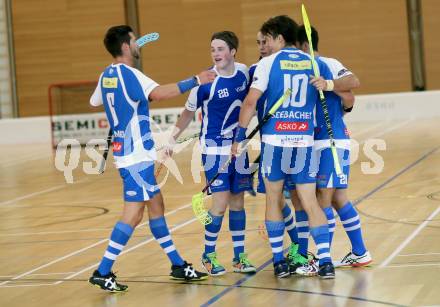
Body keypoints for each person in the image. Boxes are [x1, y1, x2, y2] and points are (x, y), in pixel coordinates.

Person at [88, 25, 216, 292]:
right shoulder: (130, 73)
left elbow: (95, 102)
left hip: (130, 153)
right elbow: (158, 93)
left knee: (156, 205)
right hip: (135, 156)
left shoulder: (106, 75)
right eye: (135, 41)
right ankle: (103, 270)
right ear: (125, 46)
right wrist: (196, 79)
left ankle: (177, 264)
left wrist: (121, 110)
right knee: (133, 215)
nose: (138, 45)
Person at [232, 15, 335, 279]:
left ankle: (279, 261)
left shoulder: (268, 63)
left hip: (276, 143)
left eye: (267, 39)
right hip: (303, 141)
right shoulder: (313, 62)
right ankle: (325, 261)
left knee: (274, 200)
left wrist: (240, 136)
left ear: (280, 38)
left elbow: (250, 102)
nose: (265, 44)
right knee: (310, 202)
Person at [168, 31, 256, 276]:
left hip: (239, 149)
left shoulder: (244, 72)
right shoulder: (205, 82)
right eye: (212, 49)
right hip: (214, 150)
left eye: (220, 49)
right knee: (220, 203)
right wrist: (171, 139)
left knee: (238, 202)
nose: (216, 54)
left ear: (233, 51)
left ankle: (239, 257)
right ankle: (209, 254)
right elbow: (187, 113)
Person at [296, 25, 372, 267]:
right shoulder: (298, 69)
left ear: (304, 46)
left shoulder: (327, 63)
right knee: (339, 198)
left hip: (329, 141)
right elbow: (348, 100)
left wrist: (328, 84)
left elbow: (353, 83)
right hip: (318, 141)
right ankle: (360, 252)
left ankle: (321, 259)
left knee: (323, 199)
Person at [250, 31, 303, 272]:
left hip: (292, 141)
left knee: (298, 199)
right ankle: (293, 248)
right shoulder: (257, 69)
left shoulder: (279, 67)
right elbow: (247, 103)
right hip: (270, 143)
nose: (262, 46)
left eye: (265, 42)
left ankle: (301, 250)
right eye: (258, 43)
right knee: (277, 199)